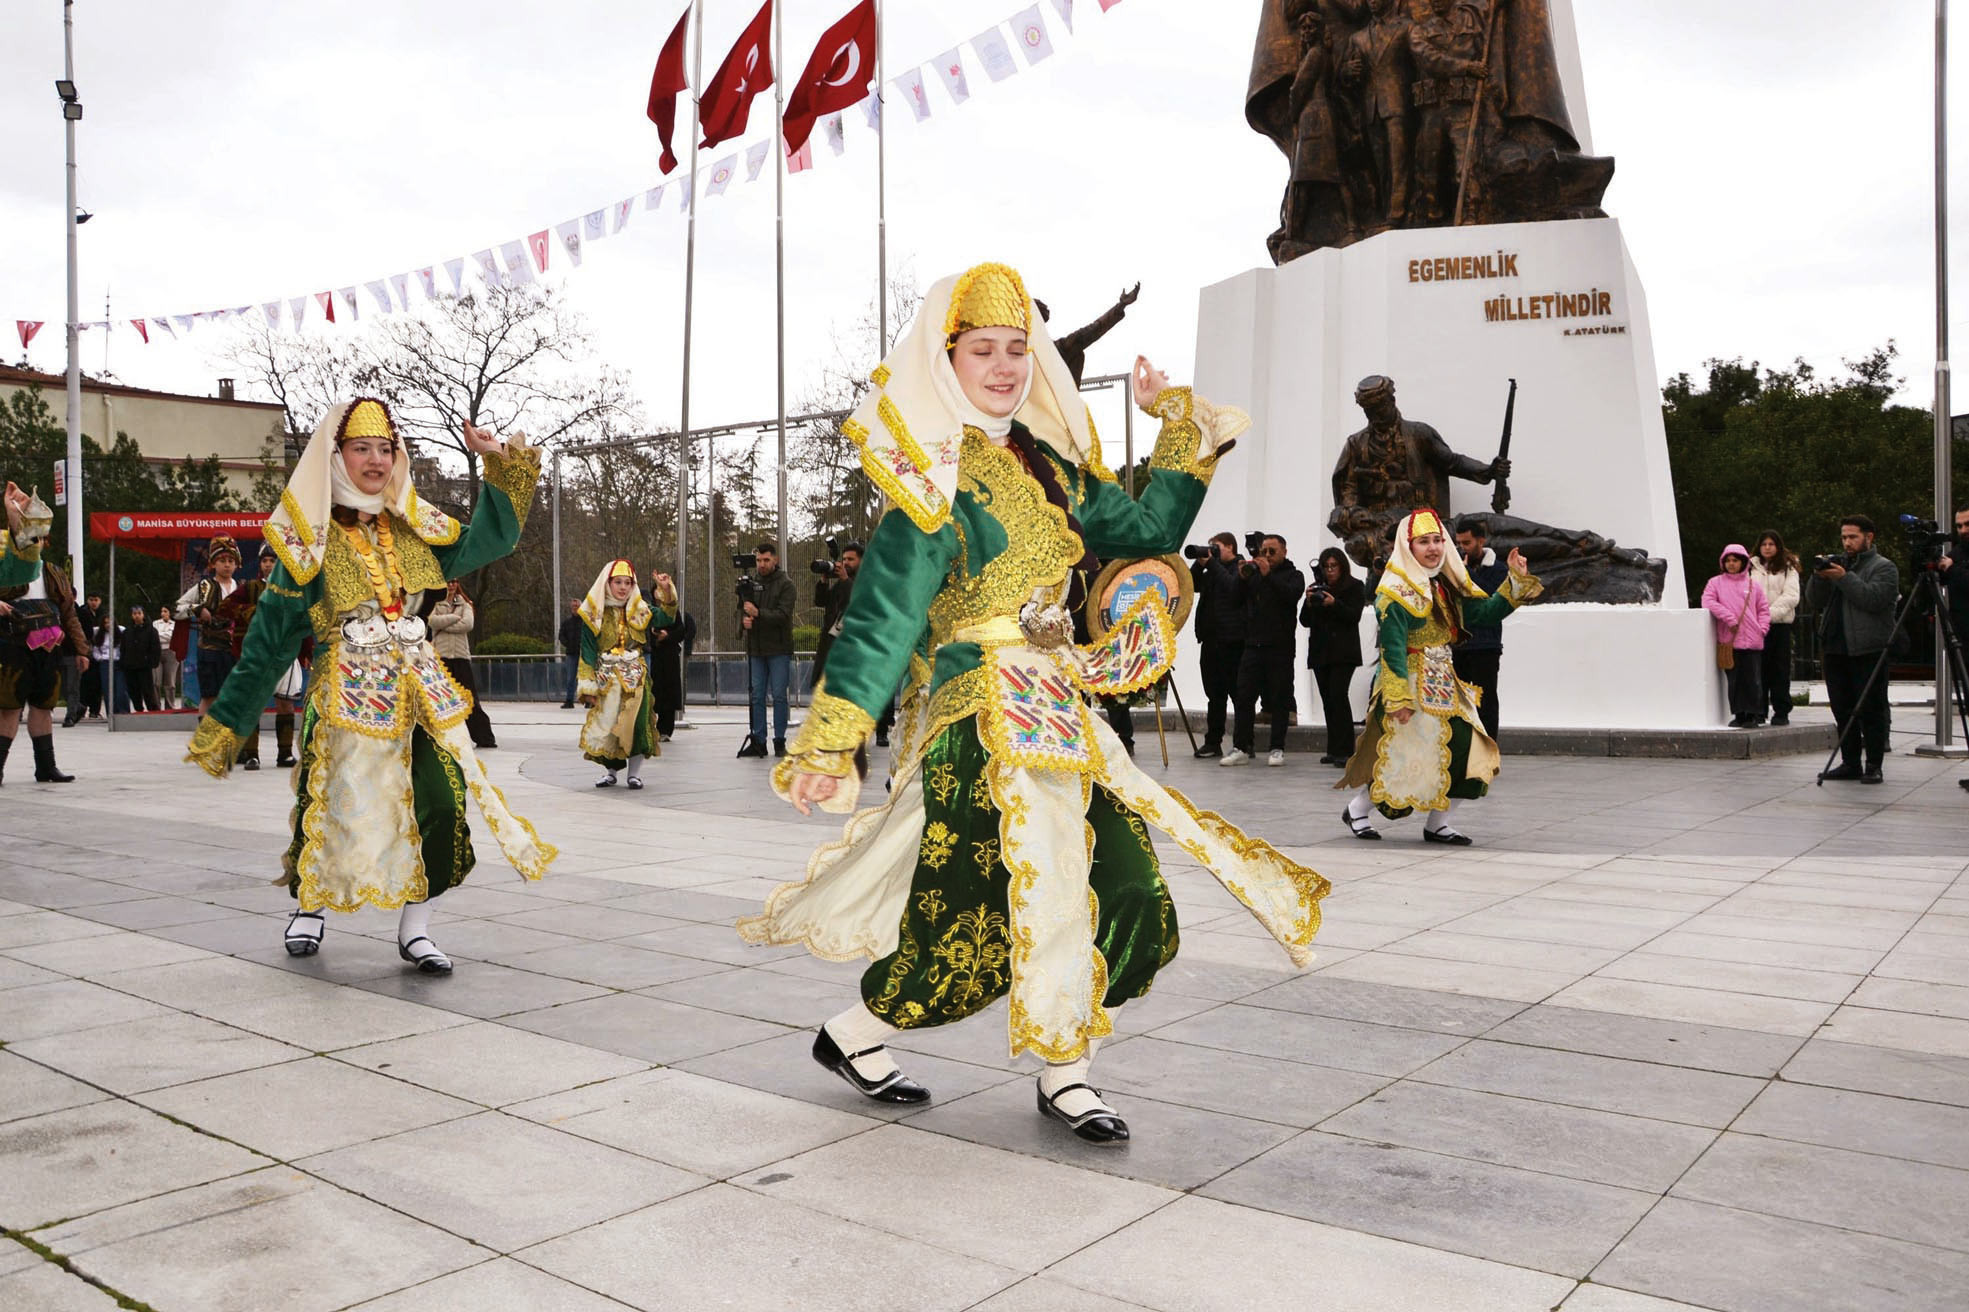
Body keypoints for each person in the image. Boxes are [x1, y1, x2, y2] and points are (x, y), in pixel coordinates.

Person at [740, 263, 1329, 1145]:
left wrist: (1177, 430)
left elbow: (1144, 533)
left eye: (1020, 348)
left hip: (1060, 706)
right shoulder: (931, 475)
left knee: (1125, 888)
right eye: (984, 349)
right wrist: (830, 743)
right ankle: (858, 1034)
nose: (1006, 365)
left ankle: (1069, 1071)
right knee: (976, 913)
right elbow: (884, 616)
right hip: (975, 716)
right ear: (947, 360)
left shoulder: (1049, 462)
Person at [184, 397, 556, 972]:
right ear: (336, 457)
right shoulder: (306, 540)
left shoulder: (413, 526)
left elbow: (491, 539)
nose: (377, 460)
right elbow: (270, 640)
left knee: (439, 799)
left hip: (420, 693)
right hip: (345, 695)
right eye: (362, 448)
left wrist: (500, 469)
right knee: (334, 803)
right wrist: (228, 724)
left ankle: (417, 927)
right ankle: (311, 906)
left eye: (386, 448)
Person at [1340, 508, 1541, 844]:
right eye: (1423, 542)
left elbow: (1486, 612)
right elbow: (1392, 650)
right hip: (1409, 684)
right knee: (1404, 759)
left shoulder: (1447, 584)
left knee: (1470, 750)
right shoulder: (1394, 593)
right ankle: (1357, 809)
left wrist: (1515, 582)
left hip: (1446, 683)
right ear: (1408, 547)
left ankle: (1438, 823)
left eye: (1437, 540)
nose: (1433, 548)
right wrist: (1398, 698)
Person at [0, 482, 86, 783]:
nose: (36, 540)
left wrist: (81, 649)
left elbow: (69, 612)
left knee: (44, 705)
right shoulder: (5, 560)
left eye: (40, 537)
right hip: (12, 645)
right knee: (9, 708)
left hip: (49, 647)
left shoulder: (53, 572)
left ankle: (46, 766)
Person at [1808, 515, 1899, 784]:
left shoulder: (1885, 567)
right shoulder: (1840, 564)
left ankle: (1873, 764)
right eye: (1844, 537)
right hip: (1835, 647)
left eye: (1853, 537)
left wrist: (1844, 577)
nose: (1847, 542)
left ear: (1869, 537)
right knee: (1842, 708)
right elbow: (1815, 601)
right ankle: (1850, 762)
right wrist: (1820, 577)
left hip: (1867, 648)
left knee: (1871, 708)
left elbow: (1872, 599)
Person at [578, 559, 677, 789]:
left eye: (628, 582)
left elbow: (667, 618)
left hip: (636, 676)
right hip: (606, 678)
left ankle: (634, 774)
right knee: (609, 727)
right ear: (607, 583)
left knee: (637, 724)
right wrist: (587, 686)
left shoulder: (640, 608)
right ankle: (611, 772)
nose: (623, 587)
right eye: (618, 582)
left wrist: (666, 590)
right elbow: (588, 652)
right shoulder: (592, 612)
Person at [176, 537, 262, 765]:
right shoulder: (204, 586)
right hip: (211, 648)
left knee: (235, 697)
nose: (227, 564)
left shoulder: (241, 588)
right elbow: (178, 608)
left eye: (230, 560)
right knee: (210, 696)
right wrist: (198, 610)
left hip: (236, 650)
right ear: (213, 563)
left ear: (237, 564)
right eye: (222, 560)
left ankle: (234, 746)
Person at [1224, 533, 1304, 767]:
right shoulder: (1254, 574)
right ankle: (1241, 746)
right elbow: (1234, 600)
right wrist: (1240, 578)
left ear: (1284, 552)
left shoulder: (1294, 575)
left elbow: (1290, 597)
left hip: (1280, 647)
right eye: (1264, 551)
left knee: (1279, 699)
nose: (1267, 556)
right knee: (1244, 696)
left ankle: (1277, 747)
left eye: (1272, 551)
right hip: (1252, 644)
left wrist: (1269, 576)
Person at [1301, 547, 1366, 764]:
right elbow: (1304, 620)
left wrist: (1334, 603)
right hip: (1321, 651)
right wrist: (1310, 601)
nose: (1329, 571)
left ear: (1342, 566)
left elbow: (1353, 615)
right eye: (1326, 567)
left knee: (1339, 696)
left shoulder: (1355, 586)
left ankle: (1346, 750)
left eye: (1333, 566)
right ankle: (1333, 748)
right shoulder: (1316, 587)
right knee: (1328, 700)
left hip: (1343, 652)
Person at [1451, 516, 1510, 739]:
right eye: (1459, 543)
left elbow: (1490, 596)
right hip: (1460, 644)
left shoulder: (1498, 569)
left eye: (1467, 543)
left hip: (1486, 644)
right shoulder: (1456, 567)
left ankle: (1489, 745)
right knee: (1460, 700)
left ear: (1480, 541)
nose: (1462, 548)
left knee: (1486, 699)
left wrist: (1467, 573)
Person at [1189, 531, 1245, 759]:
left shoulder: (1240, 567)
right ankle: (1213, 741)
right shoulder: (1212, 570)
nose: (1212, 550)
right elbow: (1192, 584)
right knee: (1214, 694)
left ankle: (1244, 742)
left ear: (1230, 547)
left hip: (1232, 641)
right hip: (1210, 641)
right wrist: (1199, 561)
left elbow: (1233, 587)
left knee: (1238, 695)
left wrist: (1211, 564)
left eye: (1217, 546)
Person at [1702, 544, 1771, 729]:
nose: (1732, 564)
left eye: (1735, 560)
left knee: (1753, 679)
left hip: (1753, 640)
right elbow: (1707, 601)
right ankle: (1739, 713)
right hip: (1730, 640)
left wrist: (1762, 628)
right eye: (1728, 561)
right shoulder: (1715, 583)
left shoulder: (1752, 584)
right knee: (1735, 680)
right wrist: (1728, 617)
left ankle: (1753, 714)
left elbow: (1763, 609)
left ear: (1743, 562)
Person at [738, 542, 796, 758]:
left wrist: (758, 613)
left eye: (766, 560)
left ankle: (779, 740)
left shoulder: (786, 584)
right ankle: (758, 739)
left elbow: (783, 615)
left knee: (779, 695)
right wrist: (744, 622)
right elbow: (742, 609)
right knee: (757, 695)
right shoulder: (751, 583)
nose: (762, 564)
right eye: (759, 560)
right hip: (756, 648)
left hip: (779, 648)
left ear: (775, 560)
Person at [429, 579, 497, 750]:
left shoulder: (464, 604)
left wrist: (444, 624)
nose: (451, 585)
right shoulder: (435, 603)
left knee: (470, 698)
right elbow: (431, 621)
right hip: (441, 656)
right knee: (441, 699)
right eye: (448, 582)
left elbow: (468, 624)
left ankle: (484, 736)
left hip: (460, 657)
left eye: (454, 582)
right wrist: (453, 618)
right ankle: (441, 736)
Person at [1750, 530, 1801, 726]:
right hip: (1755, 628)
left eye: (1771, 544)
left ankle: (1781, 711)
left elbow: (1791, 596)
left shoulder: (1788, 568)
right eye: (1764, 544)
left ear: (1778, 546)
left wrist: (1768, 615)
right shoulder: (1750, 568)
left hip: (1779, 626)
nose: (1767, 548)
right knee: (1757, 670)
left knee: (1780, 671)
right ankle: (1758, 709)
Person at [811, 541, 863, 684]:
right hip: (831, 644)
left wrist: (846, 580)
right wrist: (823, 581)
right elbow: (821, 601)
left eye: (851, 559)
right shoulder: (841, 583)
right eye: (844, 559)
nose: (846, 563)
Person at [649, 587, 693, 741]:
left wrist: (667, 636)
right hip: (653, 656)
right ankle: (649, 728)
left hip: (670, 657)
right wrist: (654, 637)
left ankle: (665, 730)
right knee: (652, 692)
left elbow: (682, 631)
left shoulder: (675, 613)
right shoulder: (648, 610)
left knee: (669, 693)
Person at [120, 603, 162, 712]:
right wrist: (124, 662)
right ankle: (138, 709)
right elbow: (123, 648)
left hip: (145, 665)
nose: (137, 616)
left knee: (148, 690)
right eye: (134, 614)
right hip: (130, 665)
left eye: (139, 613)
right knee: (133, 690)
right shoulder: (127, 632)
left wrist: (152, 661)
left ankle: (152, 709)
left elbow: (156, 648)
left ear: (143, 615)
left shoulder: (151, 631)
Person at [80, 592, 110, 720]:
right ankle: (81, 709)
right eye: (91, 600)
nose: (93, 602)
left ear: (100, 601)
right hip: (86, 649)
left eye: (96, 600)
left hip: (99, 651)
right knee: (84, 683)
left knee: (97, 684)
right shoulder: (82, 612)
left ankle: (94, 710)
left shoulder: (104, 613)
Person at [153, 604, 182, 709]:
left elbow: (172, 637)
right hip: (157, 652)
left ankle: (170, 706)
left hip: (171, 652)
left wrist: (160, 635)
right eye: (162, 611)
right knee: (156, 681)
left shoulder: (175, 624)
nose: (163, 614)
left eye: (165, 611)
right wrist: (164, 635)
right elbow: (154, 637)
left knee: (169, 682)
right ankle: (156, 706)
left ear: (170, 613)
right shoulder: (155, 623)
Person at [557, 598, 584, 708]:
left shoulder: (586, 622)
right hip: (571, 654)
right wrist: (568, 644)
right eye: (573, 607)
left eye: (577, 606)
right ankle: (569, 700)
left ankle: (588, 700)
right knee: (570, 678)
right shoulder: (567, 622)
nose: (575, 609)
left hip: (584, 654)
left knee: (585, 678)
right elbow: (561, 635)